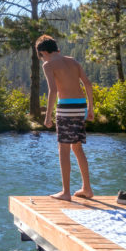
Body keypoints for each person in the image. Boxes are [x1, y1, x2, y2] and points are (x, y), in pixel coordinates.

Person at [36, 35, 94, 201]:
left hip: (66, 107)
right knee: (77, 147)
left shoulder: (48, 65)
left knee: (63, 149)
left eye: (41, 56)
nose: (42, 59)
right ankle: (87, 188)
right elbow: (87, 84)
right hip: (81, 106)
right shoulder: (73, 61)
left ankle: (66, 192)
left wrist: (48, 116)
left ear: (44, 52)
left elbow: (53, 91)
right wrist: (90, 109)